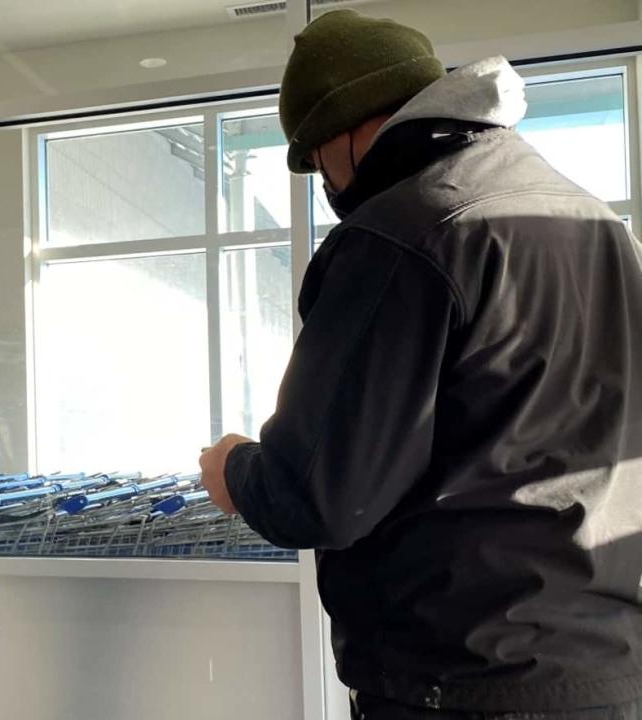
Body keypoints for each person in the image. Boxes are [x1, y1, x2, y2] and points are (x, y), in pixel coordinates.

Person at [200, 10, 642, 719]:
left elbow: (321, 494)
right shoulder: (591, 221)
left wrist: (236, 470)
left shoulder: (401, 235)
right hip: (605, 666)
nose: (323, 182)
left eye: (314, 158)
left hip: (459, 679)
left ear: (346, 128)